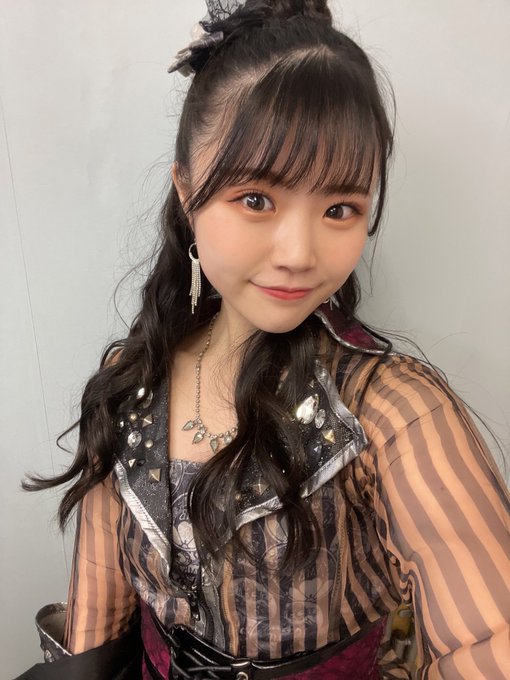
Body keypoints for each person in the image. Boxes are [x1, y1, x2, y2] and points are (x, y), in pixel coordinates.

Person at [15, 1, 510, 678]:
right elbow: (95, 625)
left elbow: (490, 637)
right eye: (256, 200)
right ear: (187, 191)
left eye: (340, 208)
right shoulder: (134, 379)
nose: (299, 253)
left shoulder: (391, 412)